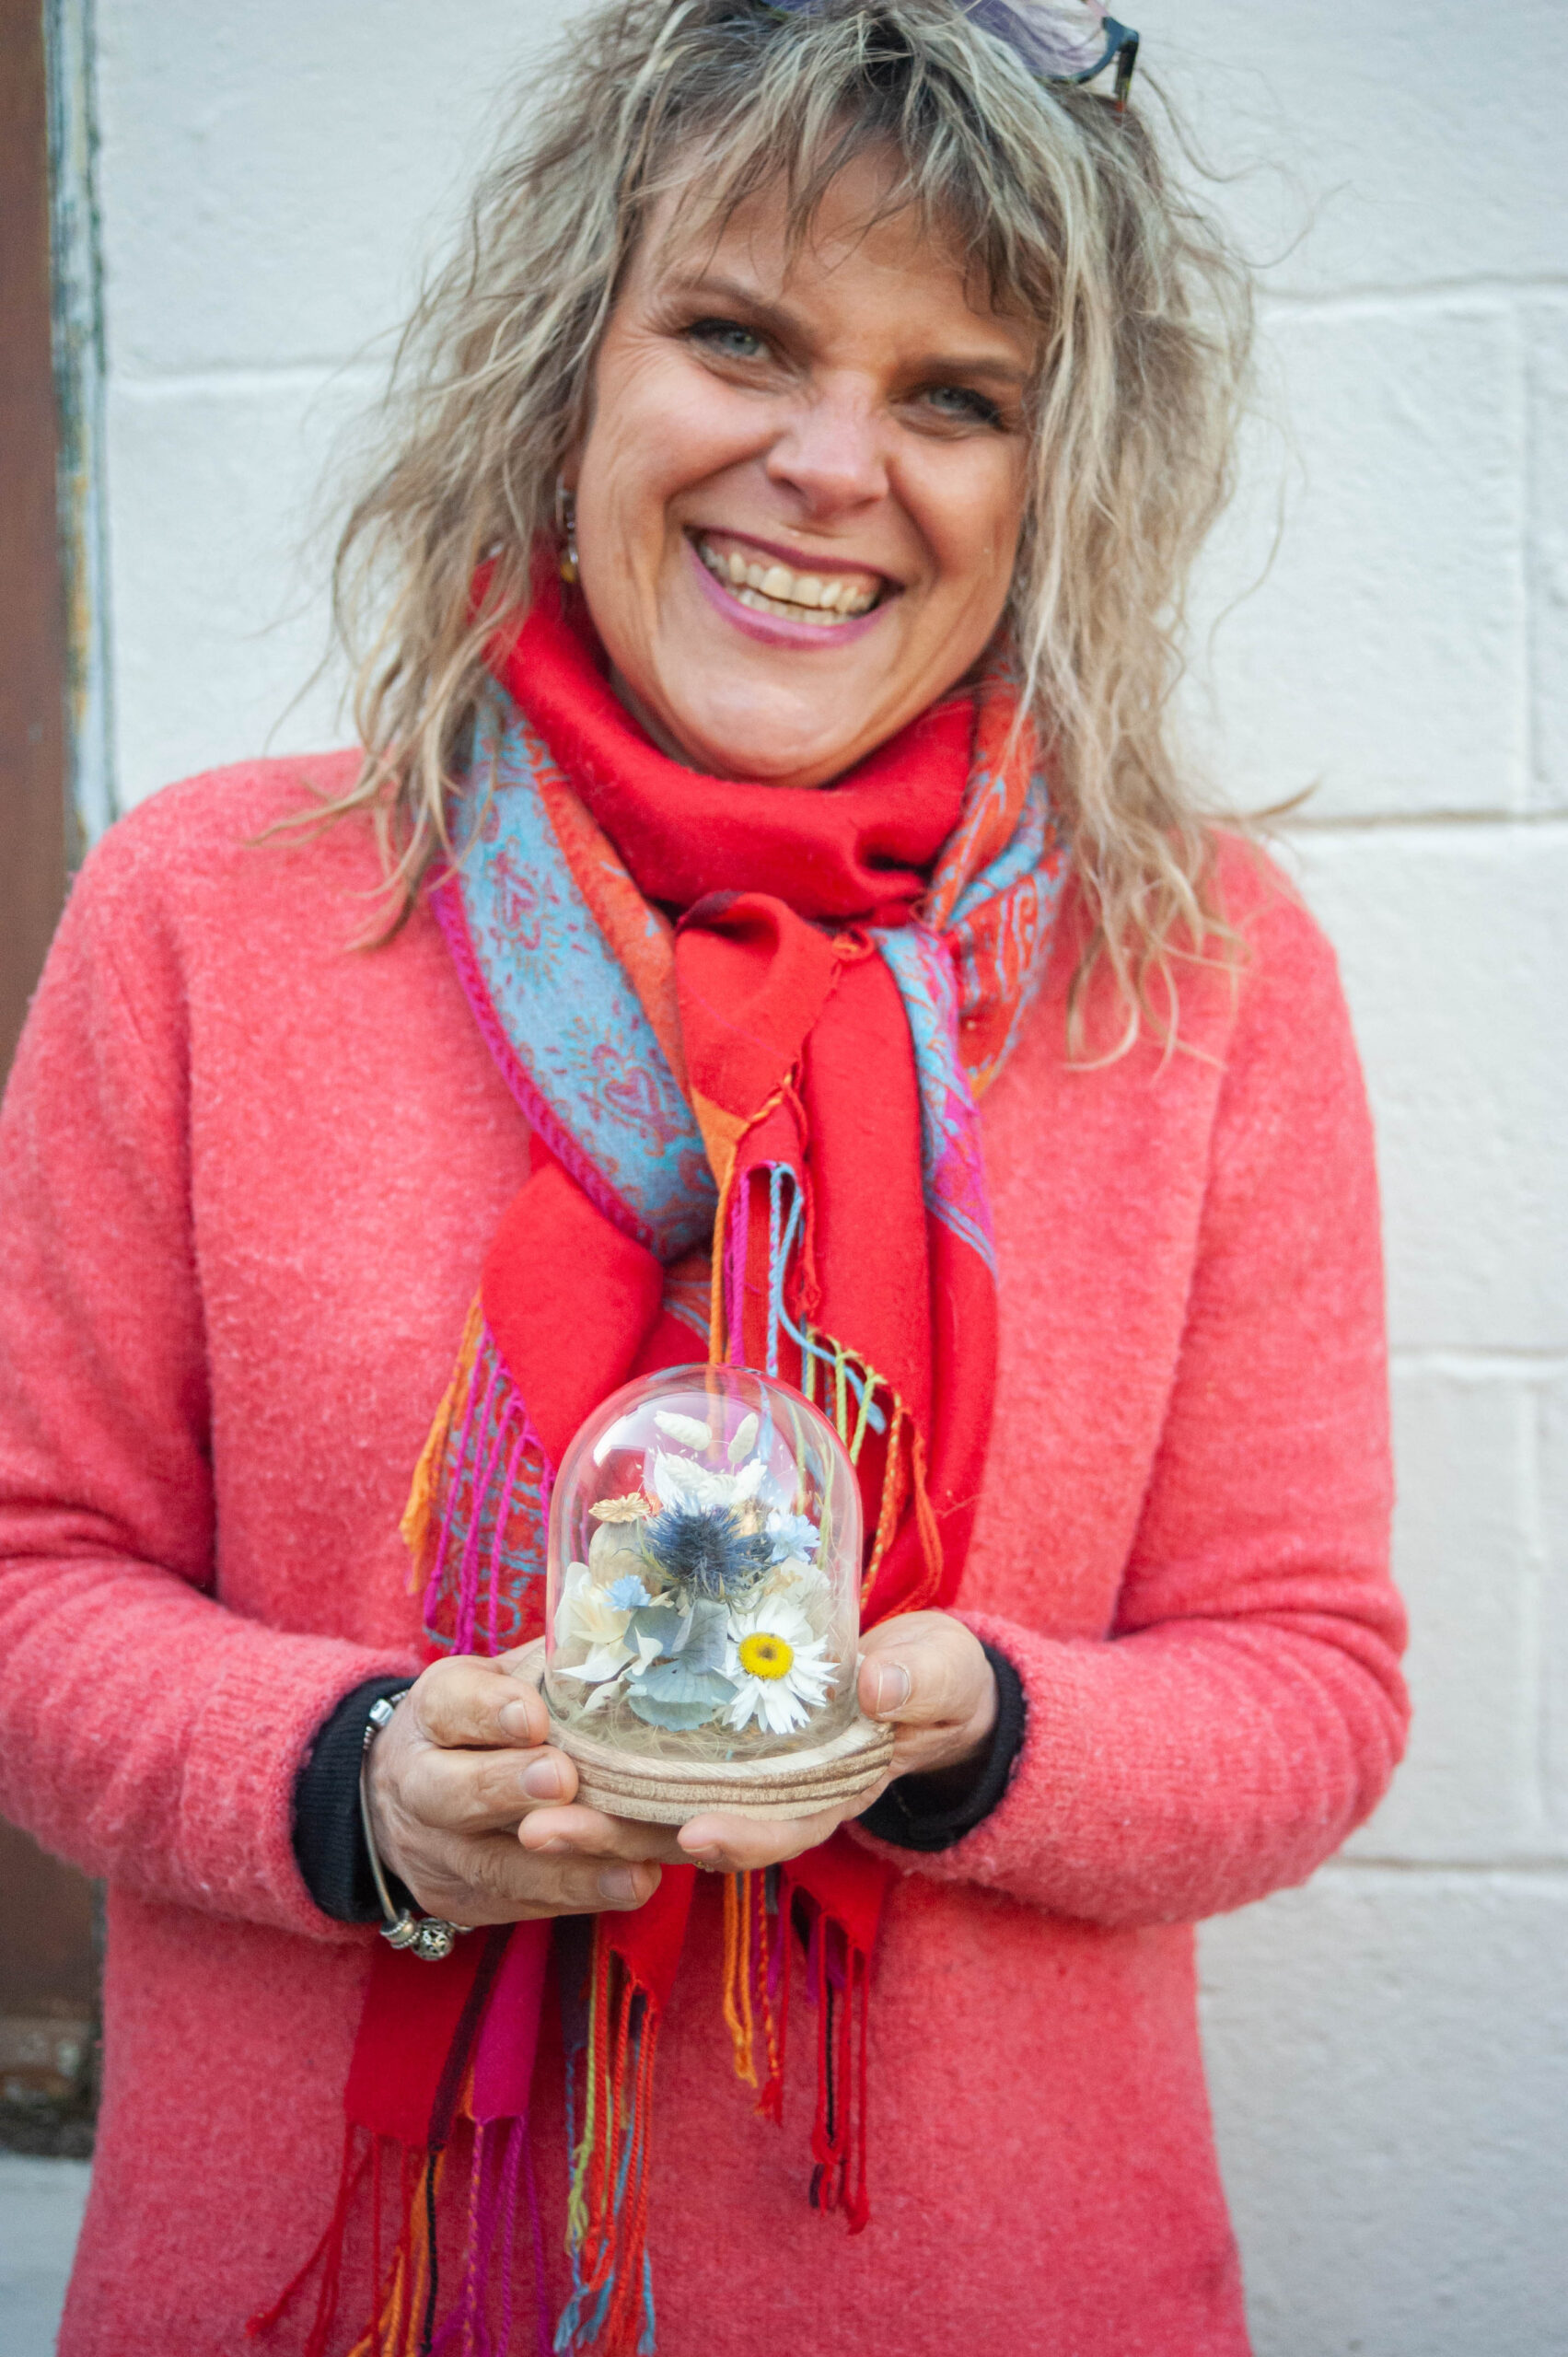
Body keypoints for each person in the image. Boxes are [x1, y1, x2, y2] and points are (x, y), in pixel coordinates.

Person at [0, 2, 1408, 2351]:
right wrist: (358, 1786)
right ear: (572, 359)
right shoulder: (214, 913)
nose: (833, 462)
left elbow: (1311, 1679)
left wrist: (986, 1736)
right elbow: (36, 1588)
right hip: (312, 2293)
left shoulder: (1198, 971)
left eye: (954, 393)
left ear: (1057, 473)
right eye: (739, 335)